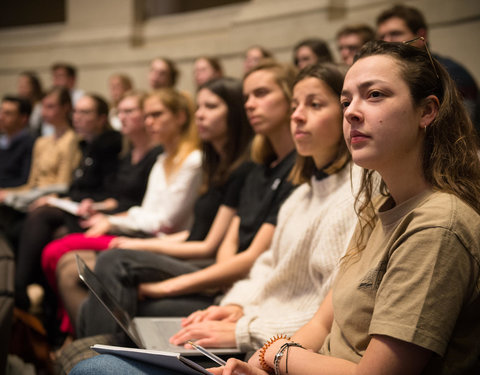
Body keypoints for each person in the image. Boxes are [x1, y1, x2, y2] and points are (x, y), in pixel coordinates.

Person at [77, 39, 480, 375]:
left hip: (297, 360)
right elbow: (324, 318)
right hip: (292, 358)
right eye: (346, 100)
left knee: (96, 368)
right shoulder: (377, 203)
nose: (352, 111)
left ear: (427, 111)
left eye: (374, 95)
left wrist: (275, 353)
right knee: (101, 361)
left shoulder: (436, 226)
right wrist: (257, 364)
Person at [73, 60, 297, 343]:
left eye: (261, 94)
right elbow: (226, 242)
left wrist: (168, 286)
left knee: (114, 261)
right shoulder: (255, 168)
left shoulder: (267, 169)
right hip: (221, 272)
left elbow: (235, 252)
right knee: (89, 301)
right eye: (247, 98)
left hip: (239, 279)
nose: (199, 115)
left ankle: (99, 361)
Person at [168, 63, 360, 353]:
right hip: (259, 325)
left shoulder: (354, 195)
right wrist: (236, 304)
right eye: (295, 105)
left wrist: (245, 328)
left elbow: (326, 313)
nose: (296, 115)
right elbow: (267, 266)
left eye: (315, 105)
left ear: (345, 113)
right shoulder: (302, 195)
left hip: (282, 344)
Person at [15, 91, 161, 337]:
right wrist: (99, 207)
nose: (123, 117)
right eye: (121, 112)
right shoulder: (128, 154)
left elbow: (150, 213)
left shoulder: (155, 155)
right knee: (48, 237)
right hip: (117, 218)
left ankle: (66, 329)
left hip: (133, 228)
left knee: (57, 249)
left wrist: (109, 219)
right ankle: (60, 325)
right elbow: (116, 195)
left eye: (130, 112)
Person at [13, 93, 123, 312]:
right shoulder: (87, 144)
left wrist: (65, 200)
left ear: (102, 118)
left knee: (44, 218)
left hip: (96, 212)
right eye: (76, 112)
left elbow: (110, 192)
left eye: (85, 112)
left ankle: (21, 288)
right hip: (80, 206)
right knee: (34, 221)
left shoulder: (109, 143)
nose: (77, 117)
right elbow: (76, 186)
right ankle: (30, 295)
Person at [376, 4, 479, 131]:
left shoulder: (452, 73)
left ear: (421, 36)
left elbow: (463, 129)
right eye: (382, 37)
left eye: (395, 33)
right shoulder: (390, 76)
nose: (388, 42)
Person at [0, 87, 81, 251]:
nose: (44, 112)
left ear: (65, 108)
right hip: (32, 197)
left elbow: (63, 184)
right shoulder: (41, 142)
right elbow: (31, 183)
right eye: (43, 106)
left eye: (51, 106)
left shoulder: (72, 140)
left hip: (51, 199)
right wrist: (9, 193)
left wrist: (12, 196)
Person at [0, 96, 36, 189]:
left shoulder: (30, 144)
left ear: (23, 118)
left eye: (8, 114)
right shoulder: (2, 140)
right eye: (1, 111)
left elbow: (24, 180)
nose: (1, 117)